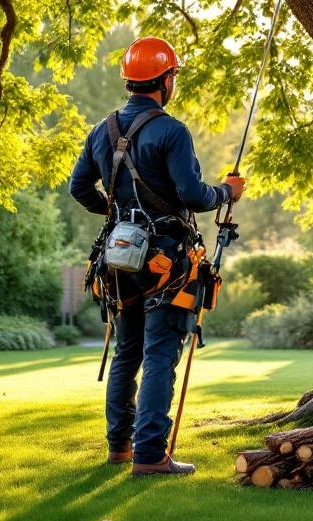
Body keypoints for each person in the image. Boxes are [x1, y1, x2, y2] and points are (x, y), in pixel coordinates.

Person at [69, 36, 246, 477]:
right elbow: (192, 195)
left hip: (117, 258)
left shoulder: (100, 130)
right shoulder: (171, 131)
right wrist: (227, 191)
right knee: (161, 352)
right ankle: (150, 455)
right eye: (173, 76)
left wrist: (115, 214)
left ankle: (120, 448)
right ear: (165, 80)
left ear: (132, 80)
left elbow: (79, 188)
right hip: (166, 261)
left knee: (127, 352)